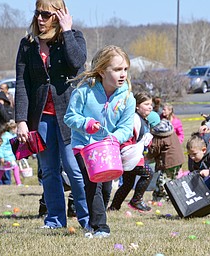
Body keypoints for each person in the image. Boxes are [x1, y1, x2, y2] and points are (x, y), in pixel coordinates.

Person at [15, 0, 89, 230]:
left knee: (73, 169)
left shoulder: (74, 38)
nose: (40, 18)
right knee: (48, 171)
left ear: (58, 16)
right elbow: (22, 83)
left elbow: (77, 62)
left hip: (69, 116)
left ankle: (88, 219)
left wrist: (66, 31)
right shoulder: (27, 45)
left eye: (46, 14)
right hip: (41, 118)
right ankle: (55, 220)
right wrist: (21, 120)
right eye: (38, 13)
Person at [64, 45, 136, 238]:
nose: (123, 74)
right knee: (93, 183)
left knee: (105, 188)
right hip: (84, 146)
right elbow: (69, 117)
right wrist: (86, 123)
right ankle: (100, 226)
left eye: (125, 69)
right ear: (102, 71)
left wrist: (114, 138)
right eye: (117, 69)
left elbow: (126, 128)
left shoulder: (128, 98)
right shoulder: (84, 92)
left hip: (109, 147)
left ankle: (95, 218)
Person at [108, 91, 153, 213]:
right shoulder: (134, 119)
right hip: (129, 154)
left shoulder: (143, 119)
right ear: (137, 105)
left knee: (128, 183)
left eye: (151, 104)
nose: (150, 107)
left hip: (133, 154)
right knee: (148, 173)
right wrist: (125, 150)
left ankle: (114, 207)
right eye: (146, 104)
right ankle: (136, 200)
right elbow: (128, 136)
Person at [146, 112, 185, 202]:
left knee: (163, 181)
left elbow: (154, 150)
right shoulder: (168, 129)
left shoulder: (158, 135)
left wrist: (147, 157)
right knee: (170, 179)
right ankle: (157, 199)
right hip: (178, 160)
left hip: (169, 162)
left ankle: (169, 198)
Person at [0, 120, 22, 186]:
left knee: (1, 170)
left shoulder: (13, 135)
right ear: (12, 129)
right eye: (16, 129)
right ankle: (18, 183)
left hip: (10, 156)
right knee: (15, 168)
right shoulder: (5, 136)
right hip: (7, 157)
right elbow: (0, 147)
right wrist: (1, 157)